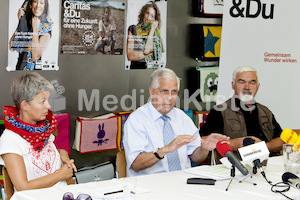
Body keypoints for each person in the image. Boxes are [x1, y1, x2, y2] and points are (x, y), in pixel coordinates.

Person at [123, 68, 229, 177]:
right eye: (164, 91)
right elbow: (136, 164)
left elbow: (196, 158)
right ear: (151, 91)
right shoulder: (136, 120)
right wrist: (166, 149)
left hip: (183, 182)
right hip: (150, 185)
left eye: (173, 92)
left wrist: (204, 149)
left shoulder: (182, 118)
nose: (169, 97)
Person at [0, 73, 77, 192]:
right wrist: (61, 175)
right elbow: (22, 187)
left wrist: (63, 154)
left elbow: (46, 154)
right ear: (25, 105)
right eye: (42, 101)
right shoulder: (10, 139)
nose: (48, 105)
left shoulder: (44, 130)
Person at [200, 66, 283, 156]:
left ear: (258, 86)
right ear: (233, 85)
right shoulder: (219, 111)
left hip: (269, 164)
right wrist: (231, 144)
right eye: (241, 82)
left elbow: (282, 139)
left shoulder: (265, 111)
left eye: (252, 83)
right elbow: (204, 140)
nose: (247, 87)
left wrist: (265, 146)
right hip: (236, 166)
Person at [9, 0, 52, 70]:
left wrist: (35, 30)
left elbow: (35, 57)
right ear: (30, 5)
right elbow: (11, 47)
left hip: (35, 73)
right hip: (19, 69)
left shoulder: (46, 29)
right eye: (35, 1)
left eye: (41, 3)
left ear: (45, 6)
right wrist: (21, 22)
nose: (38, 6)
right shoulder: (26, 23)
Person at [126, 1, 164, 69]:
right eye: (147, 13)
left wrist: (152, 29)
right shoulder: (133, 28)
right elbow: (130, 56)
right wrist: (149, 54)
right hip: (135, 71)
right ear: (143, 13)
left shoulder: (155, 34)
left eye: (152, 16)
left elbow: (149, 51)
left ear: (154, 19)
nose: (148, 17)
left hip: (151, 70)